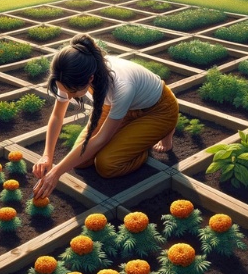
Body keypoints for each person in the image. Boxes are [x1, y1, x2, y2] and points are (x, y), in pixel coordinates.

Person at [32, 33, 179, 199]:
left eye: (72, 92)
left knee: (107, 165)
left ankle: (153, 137)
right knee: (80, 161)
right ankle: (133, 136)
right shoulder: (67, 76)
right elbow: (57, 116)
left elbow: (101, 138)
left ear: (90, 78)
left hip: (157, 110)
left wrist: (56, 173)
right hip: (120, 107)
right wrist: (47, 156)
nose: (69, 96)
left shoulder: (121, 85)